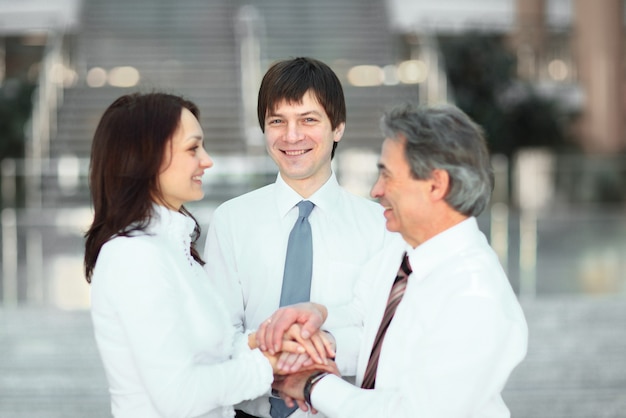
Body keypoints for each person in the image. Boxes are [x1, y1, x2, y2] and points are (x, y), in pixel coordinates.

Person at [263, 102, 529, 417]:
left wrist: (312, 384)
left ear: (436, 184)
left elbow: (413, 412)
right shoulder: (399, 253)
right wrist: (315, 342)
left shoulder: (474, 295)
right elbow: (371, 334)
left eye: (387, 175)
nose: (376, 190)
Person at [84, 92, 333, 418]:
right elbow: (179, 396)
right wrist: (270, 367)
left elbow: (216, 353)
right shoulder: (133, 256)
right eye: (192, 148)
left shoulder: (174, 251)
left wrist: (269, 341)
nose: (207, 160)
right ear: (146, 157)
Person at [203, 57, 393, 418]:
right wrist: (270, 355)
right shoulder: (232, 220)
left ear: (337, 127)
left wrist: (322, 348)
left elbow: (383, 336)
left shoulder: (379, 226)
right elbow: (219, 338)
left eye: (308, 120)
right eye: (278, 121)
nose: (292, 136)